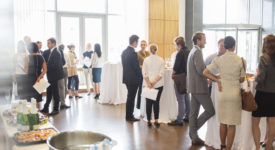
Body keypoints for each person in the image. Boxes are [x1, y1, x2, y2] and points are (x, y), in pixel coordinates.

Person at [203, 36, 246, 150]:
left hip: (222, 93)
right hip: (235, 94)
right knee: (232, 124)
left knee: (222, 123)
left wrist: (217, 80)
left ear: (225, 46)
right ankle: (228, 148)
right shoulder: (240, 60)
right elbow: (242, 80)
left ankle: (222, 146)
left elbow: (205, 72)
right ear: (234, 46)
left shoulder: (219, 59)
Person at [187, 32, 215, 145]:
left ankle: (194, 136)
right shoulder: (197, 52)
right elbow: (201, 70)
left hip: (193, 86)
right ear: (198, 41)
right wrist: (212, 76)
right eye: (204, 39)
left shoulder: (193, 50)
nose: (206, 42)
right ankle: (193, 132)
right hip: (199, 87)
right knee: (210, 110)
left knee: (193, 112)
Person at [252, 34, 275, 150]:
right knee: (272, 121)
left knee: (255, 121)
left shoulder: (264, 58)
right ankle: (269, 145)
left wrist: (255, 76)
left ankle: (257, 147)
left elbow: (261, 78)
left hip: (263, 93)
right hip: (274, 94)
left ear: (265, 44)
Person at [168, 36, 190, 126]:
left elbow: (175, 67)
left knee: (180, 99)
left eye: (175, 45)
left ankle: (179, 119)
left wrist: (172, 74)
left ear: (179, 45)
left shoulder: (180, 53)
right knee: (187, 97)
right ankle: (188, 116)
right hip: (187, 76)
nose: (175, 47)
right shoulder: (188, 51)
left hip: (180, 77)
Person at [142, 44, 164, 127]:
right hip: (158, 84)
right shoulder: (161, 59)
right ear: (156, 50)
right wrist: (154, 82)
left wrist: (149, 83)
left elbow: (144, 73)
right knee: (156, 102)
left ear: (150, 50)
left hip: (148, 85)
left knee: (148, 103)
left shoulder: (146, 60)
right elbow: (161, 74)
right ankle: (156, 121)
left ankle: (148, 121)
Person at [40, 38, 64, 115]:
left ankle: (56, 109)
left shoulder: (56, 52)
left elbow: (55, 65)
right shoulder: (52, 51)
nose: (47, 45)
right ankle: (46, 107)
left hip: (54, 76)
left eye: (49, 43)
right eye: (47, 43)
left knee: (55, 93)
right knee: (49, 92)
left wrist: (46, 68)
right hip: (51, 76)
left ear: (53, 44)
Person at [121, 35, 142, 121]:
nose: (138, 44)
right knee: (131, 97)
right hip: (133, 79)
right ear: (134, 42)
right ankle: (129, 116)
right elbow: (136, 68)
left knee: (130, 97)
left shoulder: (124, 52)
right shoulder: (133, 53)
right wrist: (141, 76)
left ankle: (128, 115)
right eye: (137, 42)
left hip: (126, 78)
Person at [22, 42, 47, 108]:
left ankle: (32, 115)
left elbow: (26, 70)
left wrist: (20, 66)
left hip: (29, 80)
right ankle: (38, 115)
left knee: (30, 100)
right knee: (38, 100)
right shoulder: (41, 57)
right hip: (39, 80)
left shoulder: (27, 57)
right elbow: (45, 70)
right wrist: (39, 78)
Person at [136, 40, 150, 109]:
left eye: (144, 45)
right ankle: (139, 106)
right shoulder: (137, 53)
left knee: (147, 89)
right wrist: (143, 66)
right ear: (140, 46)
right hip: (140, 74)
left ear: (146, 45)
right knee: (140, 90)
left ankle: (146, 106)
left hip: (148, 74)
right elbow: (137, 65)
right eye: (142, 45)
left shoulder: (148, 53)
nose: (143, 46)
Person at [58, 44, 70, 109]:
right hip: (65, 70)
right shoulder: (66, 54)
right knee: (65, 85)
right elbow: (69, 63)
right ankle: (63, 100)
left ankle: (60, 99)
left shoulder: (57, 54)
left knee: (59, 86)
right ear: (64, 48)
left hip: (59, 70)